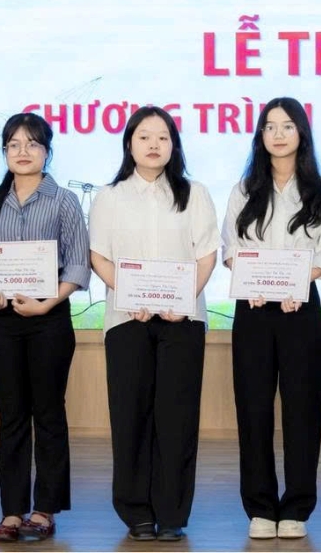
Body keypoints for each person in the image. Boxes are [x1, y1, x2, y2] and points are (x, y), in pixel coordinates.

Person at [88, 106, 220, 541]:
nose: (153, 145)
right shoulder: (109, 196)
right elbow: (98, 255)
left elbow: (207, 254)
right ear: (129, 143)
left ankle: (173, 513)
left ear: (173, 145)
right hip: (126, 319)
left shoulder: (194, 193)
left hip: (183, 319)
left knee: (177, 418)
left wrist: (182, 300)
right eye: (144, 136)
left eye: (163, 137)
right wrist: (130, 294)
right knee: (130, 415)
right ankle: (136, 511)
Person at [222, 97, 321, 539]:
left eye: (287, 126)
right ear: (260, 135)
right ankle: (259, 507)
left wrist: (297, 283)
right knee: (253, 409)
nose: (278, 134)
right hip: (253, 309)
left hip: (300, 309)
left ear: (301, 134)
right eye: (270, 126)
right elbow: (230, 248)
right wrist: (252, 281)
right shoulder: (244, 189)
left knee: (302, 410)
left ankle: (296, 507)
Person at [0, 113, 91, 544]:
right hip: (1, 322)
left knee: (49, 412)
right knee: (11, 415)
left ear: (47, 151)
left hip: (50, 320)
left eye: (33, 143)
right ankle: (12, 510)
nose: (23, 152)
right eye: (14, 145)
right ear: (4, 152)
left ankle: (45, 509)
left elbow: (78, 263)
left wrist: (46, 303)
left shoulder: (64, 202)